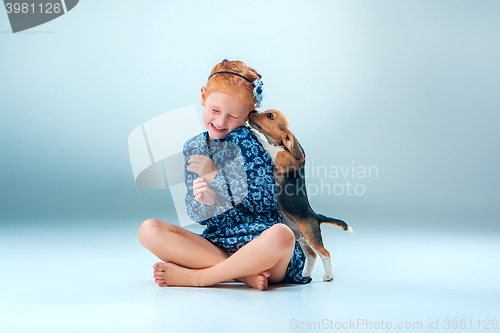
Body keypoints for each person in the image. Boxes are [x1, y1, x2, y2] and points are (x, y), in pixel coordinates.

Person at [138, 59, 311, 291]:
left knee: (283, 235)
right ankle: (242, 274)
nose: (220, 122)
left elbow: (265, 201)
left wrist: (214, 177)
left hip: (260, 245)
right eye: (215, 110)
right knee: (149, 230)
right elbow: (197, 215)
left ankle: (200, 278)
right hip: (218, 243)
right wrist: (207, 201)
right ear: (203, 97)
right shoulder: (194, 146)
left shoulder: (247, 142)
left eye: (233, 115)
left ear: (248, 114)